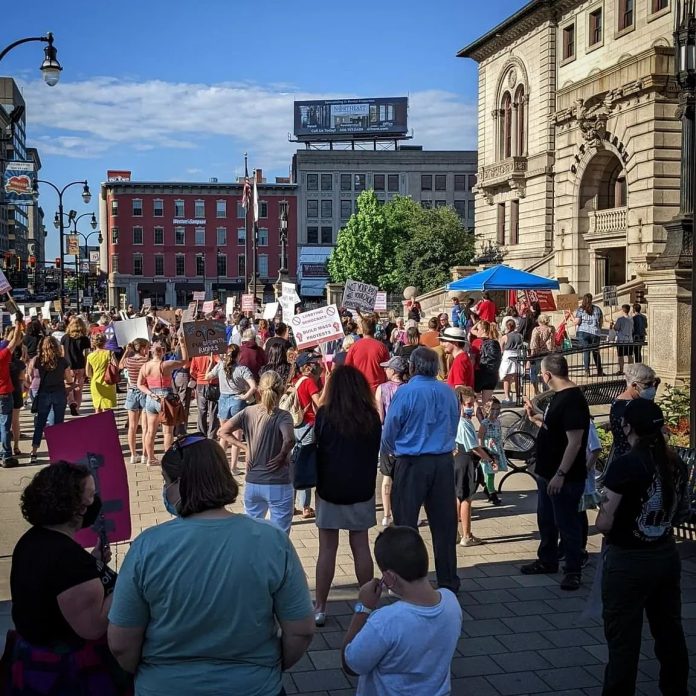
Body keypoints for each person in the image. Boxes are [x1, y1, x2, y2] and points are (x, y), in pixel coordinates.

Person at [107, 436, 314, 695]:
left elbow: (121, 644)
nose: (165, 489)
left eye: (166, 482)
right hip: (253, 686)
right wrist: (265, 669)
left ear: (180, 485)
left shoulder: (146, 547)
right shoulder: (273, 541)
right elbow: (302, 630)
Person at [7, 462, 126, 695]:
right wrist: (128, 580)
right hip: (66, 672)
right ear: (75, 507)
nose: (96, 502)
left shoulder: (31, 539)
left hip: (34, 660)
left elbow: (55, 583)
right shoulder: (69, 559)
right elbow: (92, 627)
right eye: (91, 496)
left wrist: (94, 563)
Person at [596, 399, 689, 695]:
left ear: (628, 428)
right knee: (670, 632)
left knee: (624, 639)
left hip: (628, 562)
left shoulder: (625, 465)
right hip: (664, 554)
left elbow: (605, 523)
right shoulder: (676, 463)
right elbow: (681, 509)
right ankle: (676, 689)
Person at [342, 526, 462, 696]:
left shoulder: (386, 621)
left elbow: (351, 664)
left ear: (390, 577)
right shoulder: (450, 601)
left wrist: (363, 608)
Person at [381, 347, 460, 593]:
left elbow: (390, 428)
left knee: (406, 524)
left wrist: (389, 450)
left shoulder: (406, 393)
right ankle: (448, 580)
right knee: (444, 525)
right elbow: (454, 422)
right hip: (443, 460)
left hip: (412, 461)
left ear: (413, 367)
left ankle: (409, 581)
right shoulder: (448, 392)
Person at [313, 365, 381, 627]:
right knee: (361, 547)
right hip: (361, 488)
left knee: (327, 549)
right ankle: (367, 603)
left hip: (329, 487)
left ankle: (320, 606)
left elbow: (318, 445)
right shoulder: (370, 417)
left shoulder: (325, 414)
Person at [521, 354, 589, 591]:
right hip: (546, 472)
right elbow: (555, 428)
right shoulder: (558, 398)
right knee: (547, 519)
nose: (541, 376)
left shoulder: (572, 400)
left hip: (564, 477)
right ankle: (547, 559)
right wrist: (536, 418)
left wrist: (561, 474)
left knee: (567, 523)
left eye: (542, 373)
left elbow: (575, 441)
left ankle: (573, 570)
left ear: (548, 375)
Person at [219, 371, 295, 532]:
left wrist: (245, 447)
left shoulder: (248, 412)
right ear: (281, 390)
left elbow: (222, 431)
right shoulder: (283, 416)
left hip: (253, 481)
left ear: (259, 390)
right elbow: (289, 439)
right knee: (280, 534)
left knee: (251, 532)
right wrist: (282, 455)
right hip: (278, 482)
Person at [206, 344, 256, 475]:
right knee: (237, 435)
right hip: (237, 401)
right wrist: (245, 396)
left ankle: (220, 466)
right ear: (239, 355)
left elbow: (207, 377)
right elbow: (253, 386)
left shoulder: (221, 366)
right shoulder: (242, 369)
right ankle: (233, 467)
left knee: (224, 434)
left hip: (223, 400)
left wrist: (211, 362)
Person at [137, 340, 189, 466]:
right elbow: (185, 361)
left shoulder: (145, 366)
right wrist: (183, 345)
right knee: (168, 432)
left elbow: (139, 384)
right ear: (163, 352)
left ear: (151, 352)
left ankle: (150, 458)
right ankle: (168, 459)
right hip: (165, 398)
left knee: (150, 431)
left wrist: (150, 393)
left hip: (151, 399)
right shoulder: (166, 365)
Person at [454, 387, 493, 546]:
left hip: (458, 460)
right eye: (469, 404)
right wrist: (488, 458)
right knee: (466, 499)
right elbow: (473, 447)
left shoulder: (455, 421)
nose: (472, 407)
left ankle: (455, 532)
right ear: (460, 405)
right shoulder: (464, 423)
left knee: (458, 496)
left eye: (473, 403)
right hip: (466, 461)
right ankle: (467, 535)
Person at [605, 362, 658, 472]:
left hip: (626, 459)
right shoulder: (630, 407)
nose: (651, 388)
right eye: (648, 384)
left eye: (653, 384)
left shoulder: (621, 402)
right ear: (634, 385)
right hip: (631, 464)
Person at [28, 337, 72, 464]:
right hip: (59, 393)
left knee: (40, 424)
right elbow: (69, 379)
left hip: (43, 394)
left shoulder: (37, 360)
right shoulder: (63, 361)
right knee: (58, 425)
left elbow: (30, 374)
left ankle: (34, 452)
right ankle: (57, 452)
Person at [292, 352, 324, 519]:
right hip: (308, 426)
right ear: (306, 366)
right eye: (314, 362)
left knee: (295, 463)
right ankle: (305, 506)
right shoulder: (309, 382)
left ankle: (291, 505)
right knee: (306, 464)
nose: (317, 364)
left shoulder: (296, 381)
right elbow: (320, 404)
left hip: (296, 426)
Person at [119, 338, 150, 465]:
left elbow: (120, 365)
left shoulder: (128, 360)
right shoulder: (145, 361)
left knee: (132, 426)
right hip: (144, 391)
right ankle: (144, 454)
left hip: (131, 392)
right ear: (143, 348)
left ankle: (133, 454)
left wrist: (126, 352)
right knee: (145, 426)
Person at [477, 397, 508, 505]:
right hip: (488, 450)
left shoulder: (498, 422)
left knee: (492, 473)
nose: (496, 411)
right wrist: (482, 450)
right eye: (493, 409)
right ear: (487, 409)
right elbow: (480, 437)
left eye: (498, 409)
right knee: (489, 473)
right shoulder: (485, 423)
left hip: (496, 449)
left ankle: (487, 487)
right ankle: (492, 494)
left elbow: (499, 435)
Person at [346, 314, 390, 390]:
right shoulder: (382, 347)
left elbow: (347, 369)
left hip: (359, 388)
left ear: (362, 329)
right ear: (375, 329)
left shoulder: (354, 347)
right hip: (378, 389)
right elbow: (387, 368)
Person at [61, 317, 91, 416]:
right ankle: (77, 408)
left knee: (69, 386)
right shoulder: (85, 339)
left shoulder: (65, 338)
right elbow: (86, 354)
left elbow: (62, 353)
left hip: (67, 366)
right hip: (80, 365)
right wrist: (87, 368)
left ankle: (71, 402)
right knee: (78, 388)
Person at [189, 352, 220, 439]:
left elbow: (191, 371)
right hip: (213, 383)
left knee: (201, 410)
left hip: (200, 384)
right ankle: (212, 435)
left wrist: (198, 377)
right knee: (213, 411)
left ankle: (201, 434)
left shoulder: (197, 354)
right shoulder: (215, 354)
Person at [471, 320, 501, 407]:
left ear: (483, 330)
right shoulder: (495, 342)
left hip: (479, 374)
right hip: (492, 375)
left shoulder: (477, 342)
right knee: (486, 404)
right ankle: (487, 418)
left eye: (478, 329)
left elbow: (473, 360)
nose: (477, 330)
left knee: (473, 401)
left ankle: (479, 417)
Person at [574, 293, 604, 376]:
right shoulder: (598, 309)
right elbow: (601, 322)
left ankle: (587, 371)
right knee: (596, 352)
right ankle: (599, 371)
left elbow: (577, 322)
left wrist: (572, 319)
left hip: (583, 332)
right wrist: (598, 328)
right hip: (595, 332)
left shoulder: (580, 309)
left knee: (586, 352)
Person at [86, 333, 117, 413]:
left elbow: (88, 373)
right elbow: (116, 366)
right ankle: (106, 424)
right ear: (105, 342)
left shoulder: (90, 356)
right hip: (108, 382)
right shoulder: (109, 353)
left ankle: (97, 425)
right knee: (106, 407)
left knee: (97, 407)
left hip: (96, 383)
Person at [499, 318, 524, 405]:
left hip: (507, 357)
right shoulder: (520, 336)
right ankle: (518, 397)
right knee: (517, 378)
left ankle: (507, 397)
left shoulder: (504, 337)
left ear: (507, 326)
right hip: (517, 357)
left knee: (507, 378)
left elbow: (501, 349)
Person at [528, 314, 555, 395]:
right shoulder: (551, 329)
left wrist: (532, 355)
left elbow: (533, 344)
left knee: (533, 373)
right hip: (548, 354)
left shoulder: (536, 330)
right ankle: (546, 391)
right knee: (546, 373)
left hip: (538, 354)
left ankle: (536, 390)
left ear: (539, 321)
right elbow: (552, 342)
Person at [9, 345, 26, 457]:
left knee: (4, 422)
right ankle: (16, 446)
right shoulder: (19, 364)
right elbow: (22, 378)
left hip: (3, 392)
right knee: (15, 421)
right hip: (16, 392)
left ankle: (5, 447)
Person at [613, 303, 634, 374]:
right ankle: (631, 370)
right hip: (629, 339)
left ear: (622, 310)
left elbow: (616, 328)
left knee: (620, 356)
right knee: (630, 355)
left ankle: (621, 370)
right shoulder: (631, 319)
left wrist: (613, 325)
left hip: (621, 339)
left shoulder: (620, 319)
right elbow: (633, 329)